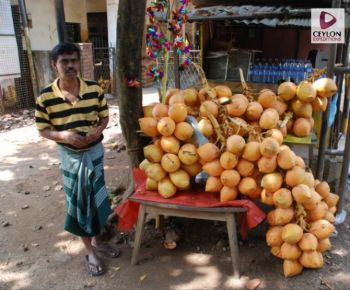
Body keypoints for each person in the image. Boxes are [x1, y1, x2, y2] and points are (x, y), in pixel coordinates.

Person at [35, 42, 120, 276]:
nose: (70, 65)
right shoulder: (45, 97)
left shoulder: (94, 89)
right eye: (64, 61)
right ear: (55, 65)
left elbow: (104, 117)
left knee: (98, 198)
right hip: (70, 157)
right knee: (79, 201)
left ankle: (99, 240)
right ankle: (89, 250)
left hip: (94, 153)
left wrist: (97, 131)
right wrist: (63, 135)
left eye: (73, 60)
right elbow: (43, 129)